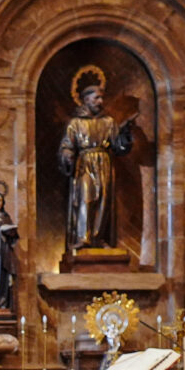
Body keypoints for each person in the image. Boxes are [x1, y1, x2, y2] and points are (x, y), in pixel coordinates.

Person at [59, 81, 135, 252]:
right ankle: (83, 238)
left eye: (101, 98)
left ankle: (98, 237)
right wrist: (67, 154)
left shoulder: (108, 122)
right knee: (86, 198)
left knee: (103, 200)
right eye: (96, 98)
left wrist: (125, 133)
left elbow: (118, 147)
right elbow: (66, 145)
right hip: (84, 163)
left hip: (104, 163)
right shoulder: (76, 123)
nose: (100, 101)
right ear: (86, 99)